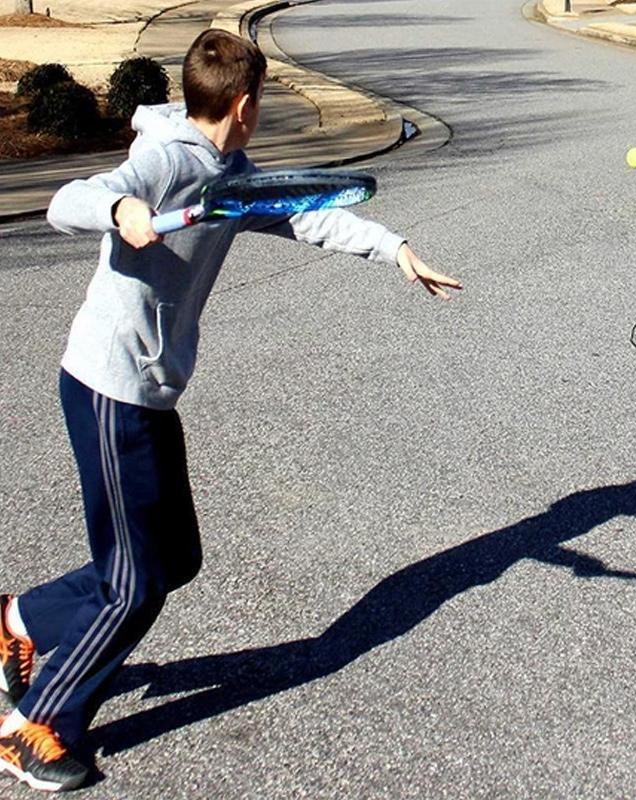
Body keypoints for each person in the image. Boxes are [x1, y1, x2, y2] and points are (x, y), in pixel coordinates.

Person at [0, 28, 461, 793]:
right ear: (243, 106)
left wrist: (394, 248)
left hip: (143, 391)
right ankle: (37, 726)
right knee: (136, 583)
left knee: (172, 560)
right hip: (110, 387)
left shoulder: (228, 170)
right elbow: (63, 202)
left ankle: (16, 622)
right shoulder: (168, 161)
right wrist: (120, 207)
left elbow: (303, 213)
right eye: (263, 104)